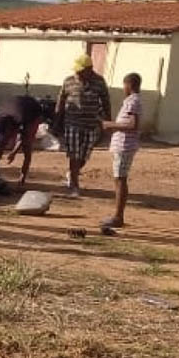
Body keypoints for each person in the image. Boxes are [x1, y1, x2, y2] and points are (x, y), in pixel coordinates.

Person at [56, 53, 112, 198]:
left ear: (90, 69)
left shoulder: (99, 82)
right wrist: (57, 121)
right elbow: (61, 101)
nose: (78, 73)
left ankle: (71, 173)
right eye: (77, 70)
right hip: (72, 124)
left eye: (81, 71)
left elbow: (106, 101)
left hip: (91, 124)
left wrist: (108, 121)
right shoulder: (68, 81)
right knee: (74, 155)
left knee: (84, 156)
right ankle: (74, 185)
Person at [100, 73, 142, 228]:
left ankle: (118, 216)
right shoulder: (132, 101)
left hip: (125, 145)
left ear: (129, 85)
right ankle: (117, 215)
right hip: (123, 145)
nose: (123, 88)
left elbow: (132, 125)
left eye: (124, 85)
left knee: (120, 179)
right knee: (118, 178)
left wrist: (110, 125)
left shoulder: (133, 101)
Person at [0, 95, 55, 186]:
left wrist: (14, 152)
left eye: (8, 136)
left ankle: (22, 178)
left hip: (32, 110)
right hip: (15, 108)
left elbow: (24, 137)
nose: (6, 140)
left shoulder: (25, 118)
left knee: (27, 147)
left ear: (14, 130)